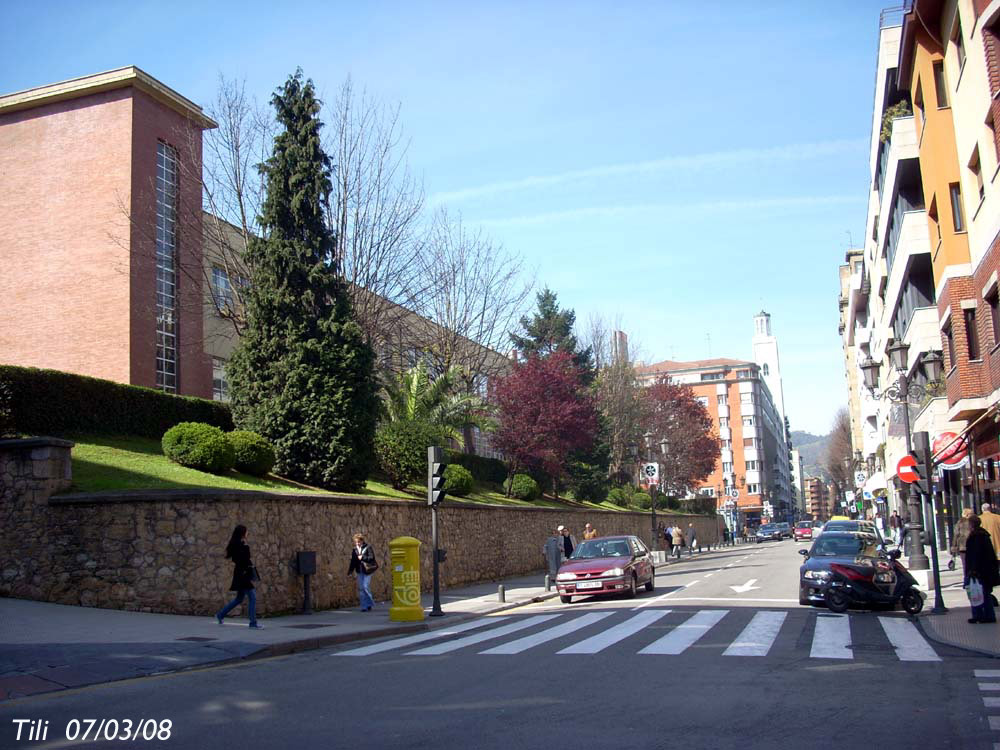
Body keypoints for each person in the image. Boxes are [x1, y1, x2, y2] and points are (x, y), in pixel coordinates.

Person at [216, 524, 262, 629]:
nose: (247, 533)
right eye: (246, 531)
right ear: (242, 533)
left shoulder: (235, 544)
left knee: (239, 598)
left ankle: (220, 615)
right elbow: (245, 560)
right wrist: (246, 548)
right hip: (243, 574)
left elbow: (237, 559)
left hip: (239, 573)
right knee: (252, 597)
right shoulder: (242, 546)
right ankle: (253, 623)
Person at [964, 514, 999, 624]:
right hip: (985, 570)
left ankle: (982, 615)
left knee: (978, 593)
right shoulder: (983, 535)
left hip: (979, 571)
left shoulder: (976, 537)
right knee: (982, 593)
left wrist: (972, 570)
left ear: (971, 525)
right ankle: (984, 615)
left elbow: (975, 555)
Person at [347, 533, 378, 612]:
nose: (357, 544)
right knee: (361, 589)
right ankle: (364, 606)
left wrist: (362, 557)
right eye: (356, 542)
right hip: (359, 570)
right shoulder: (355, 550)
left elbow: (371, 558)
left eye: (359, 542)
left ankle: (369, 603)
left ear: (362, 541)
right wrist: (350, 571)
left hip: (367, 570)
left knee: (365, 587)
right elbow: (353, 561)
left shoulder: (368, 547)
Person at [950, 508, 974, 574]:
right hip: (972, 545)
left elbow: (956, 535)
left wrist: (954, 546)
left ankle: (966, 578)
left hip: (962, 546)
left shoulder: (959, 523)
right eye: (971, 514)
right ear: (967, 515)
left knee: (965, 563)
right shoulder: (972, 523)